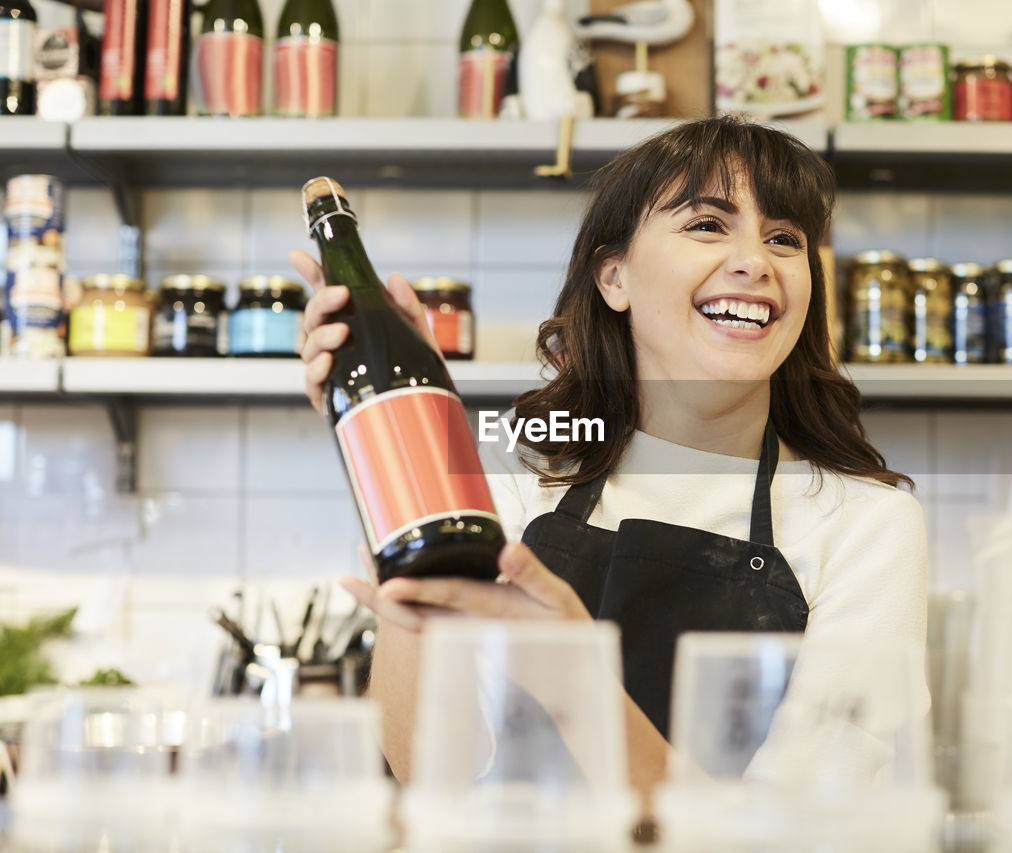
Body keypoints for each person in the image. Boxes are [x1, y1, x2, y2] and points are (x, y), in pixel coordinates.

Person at [291, 116, 927, 804]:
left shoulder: (866, 523)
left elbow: (794, 827)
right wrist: (410, 433)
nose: (756, 261)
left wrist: (572, 672)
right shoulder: (521, 489)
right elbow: (437, 779)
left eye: (784, 238)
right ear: (614, 276)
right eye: (708, 225)